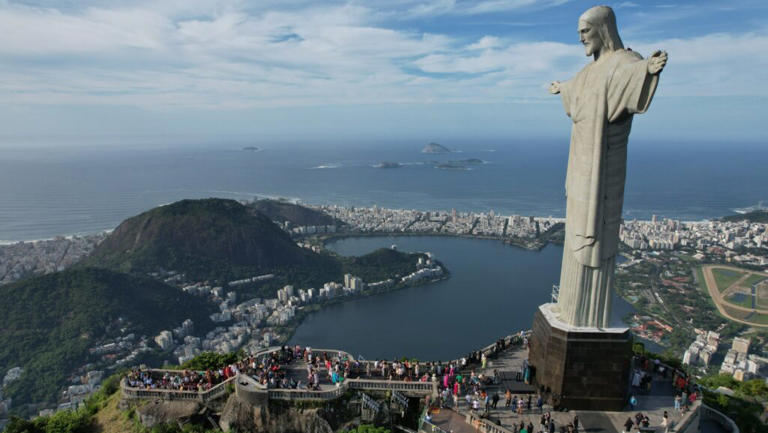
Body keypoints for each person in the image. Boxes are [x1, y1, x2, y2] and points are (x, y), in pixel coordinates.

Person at [549, 5, 667, 327]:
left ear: (602, 29)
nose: (581, 39)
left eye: (585, 32)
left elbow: (633, 77)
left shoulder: (625, 63)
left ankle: (589, 316)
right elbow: (576, 90)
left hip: (602, 169)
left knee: (597, 235)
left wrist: (649, 70)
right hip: (580, 168)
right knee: (576, 234)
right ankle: (570, 309)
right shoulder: (588, 72)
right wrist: (563, 88)